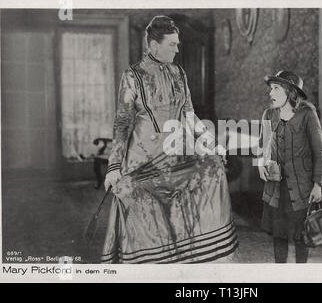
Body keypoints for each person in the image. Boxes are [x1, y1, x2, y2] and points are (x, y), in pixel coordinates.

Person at [101, 16, 238, 263]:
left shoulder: (178, 73)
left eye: (178, 44)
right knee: (145, 224)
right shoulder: (132, 76)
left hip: (176, 155)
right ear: (154, 45)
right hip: (143, 161)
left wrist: (211, 141)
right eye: (172, 44)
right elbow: (122, 123)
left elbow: (189, 115)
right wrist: (113, 166)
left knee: (208, 177)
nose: (177, 49)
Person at [257, 71, 322, 263]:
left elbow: (318, 151)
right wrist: (260, 163)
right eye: (271, 88)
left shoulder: (308, 114)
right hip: (276, 188)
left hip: (301, 188)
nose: (271, 93)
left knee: (301, 237)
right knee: (279, 236)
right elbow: (262, 145)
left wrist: (317, 184)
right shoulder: (269, 114)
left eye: (276, 88)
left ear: (290, 92)